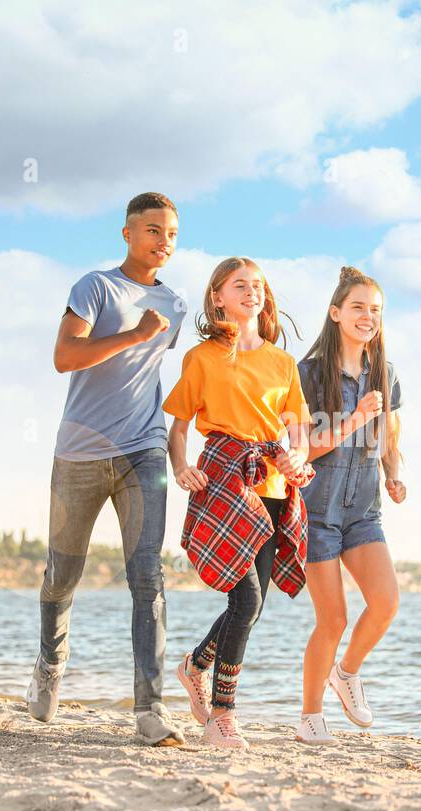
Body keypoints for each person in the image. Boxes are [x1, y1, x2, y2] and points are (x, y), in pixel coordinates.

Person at [26, 192, 188, 747]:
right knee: (61, 575)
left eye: (170, 232)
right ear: (126, 233)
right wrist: (135, 336)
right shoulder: (95, 287)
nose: (162, 240)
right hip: (80, 451)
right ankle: (50, 664)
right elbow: (65, 358)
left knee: (148, 575)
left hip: (145, 448)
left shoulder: (178, 305)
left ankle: (150, 709)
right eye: (151, 230)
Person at [164, 257, 313, 749]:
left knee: (253, 604)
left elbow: (298, 433)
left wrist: (296, 458)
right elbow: (180, 424)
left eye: (258, 286)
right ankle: (222, 716)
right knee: (244, 597)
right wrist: (181, 466)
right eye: (239, 285)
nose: (251, 292)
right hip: (223, 480)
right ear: (218, 298)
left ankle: (193, 667)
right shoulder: (202, 357)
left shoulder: (283, 363)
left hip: (272, 487)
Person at [293, 266, 405, 745]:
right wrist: (354, 417)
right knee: (333, 619)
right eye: (358, 307)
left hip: (363, 510)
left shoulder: (387, 373)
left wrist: (395, 474)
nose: (367, 317)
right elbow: (305, 449)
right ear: (335, 313)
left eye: (375, 310)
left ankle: (347, 673)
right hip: (316, 510)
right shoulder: (308, 373)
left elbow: (391, 441)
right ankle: (309, 716)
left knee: (385, 604)